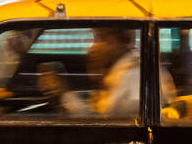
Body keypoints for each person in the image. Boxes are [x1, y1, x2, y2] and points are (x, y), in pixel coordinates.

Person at [38, 27, 174, 117]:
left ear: (118, 42)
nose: (92, 47)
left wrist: (63, 94)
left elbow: (102, 122)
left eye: (99, 38)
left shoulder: (135, 74)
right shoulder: (122, 70)